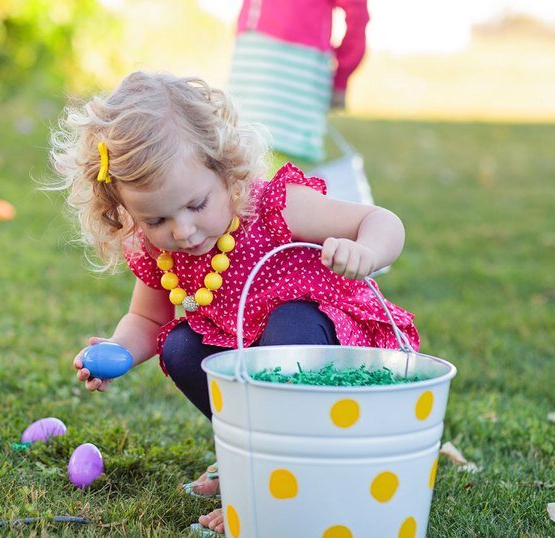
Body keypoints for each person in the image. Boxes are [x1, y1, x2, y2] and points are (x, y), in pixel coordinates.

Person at [49, 71, 418, 535]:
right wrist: (121, 350)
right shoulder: (160, 249)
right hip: (250, 358)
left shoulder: (274, 207)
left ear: (226, 172)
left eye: (196, 204)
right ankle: (251, 456)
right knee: (181, 347)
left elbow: (381, 220)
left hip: (324, 354)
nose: (182, 231)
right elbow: (147, 318)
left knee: (289, 328)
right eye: (157, 218)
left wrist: (366, 252)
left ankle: (278, 482)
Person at [229, 0, 370, 164]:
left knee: (283, 166)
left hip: (295, 64)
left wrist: (342, 75)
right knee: (239, 153)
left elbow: (357, 13)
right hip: (251, 50)